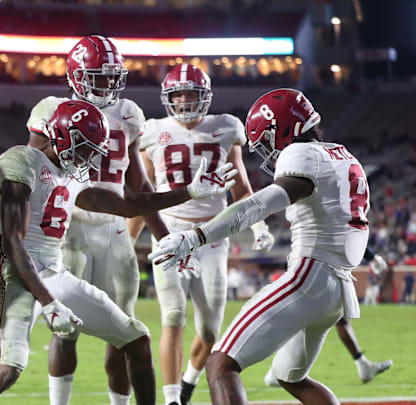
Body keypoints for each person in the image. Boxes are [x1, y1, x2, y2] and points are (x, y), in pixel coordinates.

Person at [0, 100, 237, 405]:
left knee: (136, 339)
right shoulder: (22, 160)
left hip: (53, 271)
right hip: (18, 274)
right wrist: (50, 303)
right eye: (85, 147)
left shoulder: (71, 177)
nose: (89, 157)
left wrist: (188, 192)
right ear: (64, 136)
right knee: (9, 370)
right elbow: (13, 242)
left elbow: (126, 204)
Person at [149, 88, 370, 405]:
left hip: (309, 277)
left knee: (220, 364)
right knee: (290, 376)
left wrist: (196, 236)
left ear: (283, 129)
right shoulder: (345, 156)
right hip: (338, 288)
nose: (267, 151)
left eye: (267, 140)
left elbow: (259, 204)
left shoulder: (301, 154)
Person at [25, 35, 171, 405]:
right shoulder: (52, 108)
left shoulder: (127, 113)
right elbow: (29, 173)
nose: (107, 84)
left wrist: (165, 236)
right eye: (98, 76)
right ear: (76, 75)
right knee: (66, 330)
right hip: (69, 228)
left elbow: (137, 185)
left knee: (124, 329)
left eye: (111, 76)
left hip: (115, 230)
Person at [129, 63, 274, 405]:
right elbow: (143, 195)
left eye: (191, 94)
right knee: (174, 316)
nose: (184, 100)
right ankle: (172, 400)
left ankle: (188, 383)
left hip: (213, 234)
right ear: (167, 98)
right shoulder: (153, 131)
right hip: (169, 231)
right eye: (178, 94)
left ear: (205, 96)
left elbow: (240, 183)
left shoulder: (225, 127)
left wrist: (258, 223)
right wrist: (126, 242)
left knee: (210, 331)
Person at [263, 248, 392, 386]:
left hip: (313, 266)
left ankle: (363, 365)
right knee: (317, 318)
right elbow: (344, 231)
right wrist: (372, 257)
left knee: (335, 318)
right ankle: (278, 372)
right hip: (316, 267)